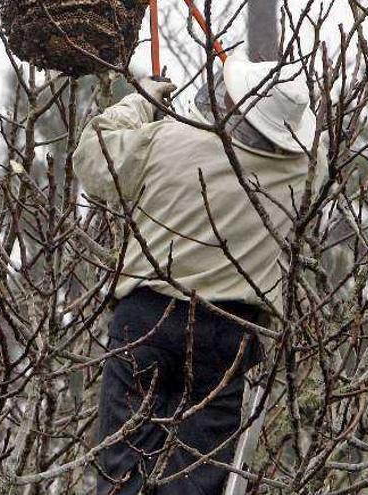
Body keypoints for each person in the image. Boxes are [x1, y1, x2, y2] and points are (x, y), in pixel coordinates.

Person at [74, 55, 326, 494]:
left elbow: (94, 159)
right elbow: (316, 145)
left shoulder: (168, 140)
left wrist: (140, 101)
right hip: (228, 336)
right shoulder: (306, 171)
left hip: (145, 321)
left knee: (122, 473)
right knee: (198, 481)